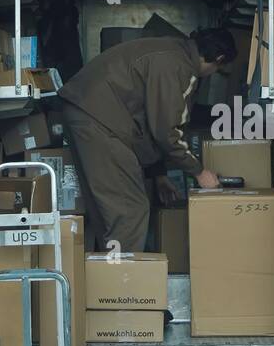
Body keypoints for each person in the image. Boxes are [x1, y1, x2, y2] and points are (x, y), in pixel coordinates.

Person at [58, 27, 236, 252]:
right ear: (218, 59)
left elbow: (148, 122)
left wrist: (158, 174)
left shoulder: (171, 50)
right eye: (219, 69)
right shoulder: (181, 67)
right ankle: (123, 282)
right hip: (100, 119)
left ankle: (105, 278)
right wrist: (199, 172)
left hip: (86, 111)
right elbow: (167, 131)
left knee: (107, 211)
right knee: (131, 208)